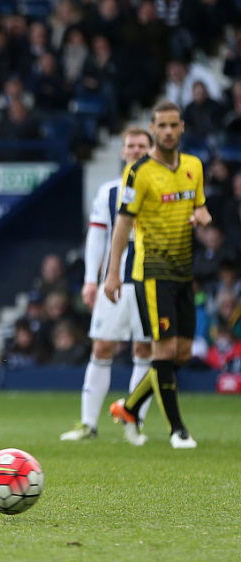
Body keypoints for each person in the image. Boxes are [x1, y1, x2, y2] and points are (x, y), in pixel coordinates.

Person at [106, 101, 212, 449]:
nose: (167, 131)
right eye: (161, 126)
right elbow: (123, 223)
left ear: (182, 127)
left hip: (184, 269)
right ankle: (178, 430)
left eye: (173, 125)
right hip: (151, 271)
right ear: (153, 129)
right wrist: (113, 273)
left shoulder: (194, 166)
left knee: (181, 352)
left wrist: (203, 215)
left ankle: (131, 406)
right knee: (163, 350)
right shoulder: (139, 172)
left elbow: (198, 204)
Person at [60, 127, 154, 442]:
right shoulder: (110, 191)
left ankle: (134, 421)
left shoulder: (161, 189)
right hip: (115, 281)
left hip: (151, 281)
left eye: (142, 145)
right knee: (102, 346)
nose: (136, 150)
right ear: (123, 151)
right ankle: (89, 423)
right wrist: (91, 280)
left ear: (151, 150)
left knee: (145, 349)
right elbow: (97, 236)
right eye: (131, 145)